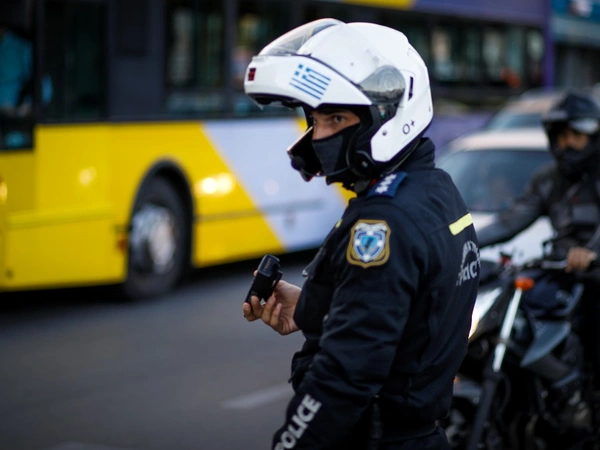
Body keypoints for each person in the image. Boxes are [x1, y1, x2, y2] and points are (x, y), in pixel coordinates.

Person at [241, 19, 480, 449]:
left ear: (387, 115)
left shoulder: (384, 222)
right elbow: (407, 310)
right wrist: (316, 305)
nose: (320, 135)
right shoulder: (435, 189)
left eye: (336, 118)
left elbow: (344, 376)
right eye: (315, 119)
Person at [476, 90, 600, 393]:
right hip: (561, 271)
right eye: (561, 135)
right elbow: (510, 221)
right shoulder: (549, 179)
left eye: (576, 136)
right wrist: (464, 242)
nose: (567, 143)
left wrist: (590, 253)